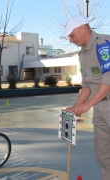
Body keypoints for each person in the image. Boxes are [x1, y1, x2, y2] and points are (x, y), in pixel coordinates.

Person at [61, 15, 110, 180]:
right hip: (100, 109)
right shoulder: (82, 54)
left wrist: (87, 105)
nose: (70, 39)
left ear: (83, 28)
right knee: (104, 156)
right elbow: (87, 86)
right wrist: (76, 107)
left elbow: (108, 80)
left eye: (71, 35)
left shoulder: (102, 45)